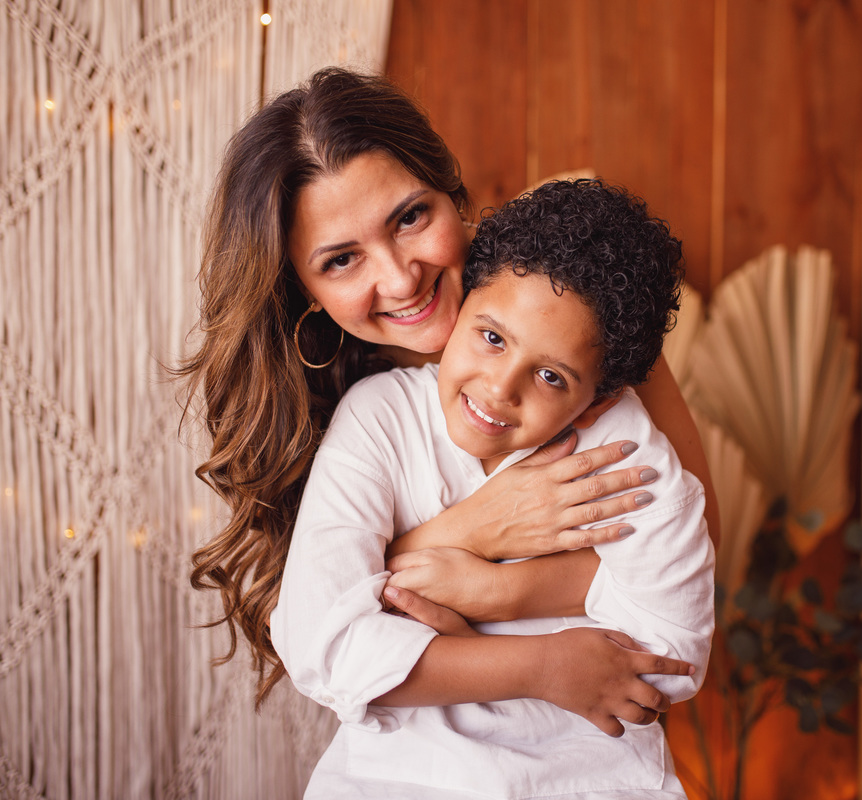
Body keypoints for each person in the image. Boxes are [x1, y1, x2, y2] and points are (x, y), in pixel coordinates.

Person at [177, 67, 718, 712]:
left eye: (409, 217)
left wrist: (501, 593)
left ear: (452, 195)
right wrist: (475, 529)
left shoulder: (565, 305)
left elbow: (695, 552)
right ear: (304, 290)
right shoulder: (348, 411)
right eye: (341, 260)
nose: (402, 279)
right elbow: (309, 618)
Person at [273, 178, 714, 798]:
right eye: (492, 337)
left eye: (551, 376)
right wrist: (543, 666)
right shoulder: (380, 420)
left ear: (596, 401)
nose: (503, 388)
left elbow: (670, 655)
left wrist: (490, 599)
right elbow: (326, 645)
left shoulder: (624, 454)